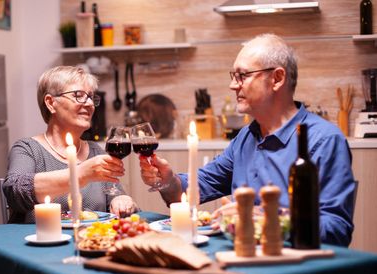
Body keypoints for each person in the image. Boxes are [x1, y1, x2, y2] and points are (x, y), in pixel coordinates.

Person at [138, 33, 355, 246]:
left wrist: (265, 217)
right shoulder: (247, 136)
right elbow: (198, 187)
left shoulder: (324, 141)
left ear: (277, 79)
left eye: (243, 75)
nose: (233, 85)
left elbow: (336, 229)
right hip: (242, 254)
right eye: (233, 76)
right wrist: (167, 181)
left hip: (296, 268)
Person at [3, 66, 138, 223]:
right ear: (51, 103)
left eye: (91, 97)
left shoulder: (95, 151)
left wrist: (122, 200)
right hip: (39, 244)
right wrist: (80, 174)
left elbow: (115, 195)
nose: (89, 104)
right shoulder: (27, 149)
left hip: (89, 242)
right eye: (78, 95)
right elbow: (16, 191)